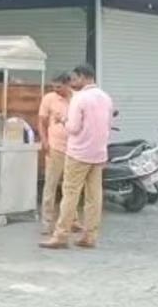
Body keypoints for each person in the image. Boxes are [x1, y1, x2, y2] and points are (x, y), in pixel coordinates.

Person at [40, 64, 114, 250]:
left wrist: (63, 120)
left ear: (83, 77)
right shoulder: (106, 98)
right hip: (98, 154)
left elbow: (73, 128)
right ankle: (90, 236)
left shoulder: (79, 98)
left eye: (75, 79)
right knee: (94, 196)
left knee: (70, 194)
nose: (72, 83)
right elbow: (108, 126)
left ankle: (61, 235)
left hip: (78, 153)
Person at [38, 73, 79, 235]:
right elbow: (41, 121)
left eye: (59, 87)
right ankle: (47, 222)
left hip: (74, 148)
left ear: (68, 84)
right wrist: (44, 141)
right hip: (55, 147)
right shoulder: (49, 98)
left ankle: (72, 220)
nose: (56, 90)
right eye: (53, 87)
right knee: (51, 184)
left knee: (71, 186)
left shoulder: (78, 98)